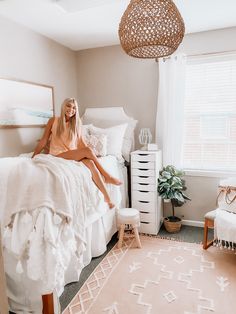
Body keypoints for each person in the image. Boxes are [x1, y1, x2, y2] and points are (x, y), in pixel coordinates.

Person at [32, 97, 121, 209]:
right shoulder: (53, 121)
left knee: (91, 164)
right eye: (69, 106)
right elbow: (44, 140)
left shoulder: (77, 123)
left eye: (74, 107)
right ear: (63, 106)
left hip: (72, 154)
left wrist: (92, 155)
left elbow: (81, 143)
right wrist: (34, 155)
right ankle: (107, 176)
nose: (71, 109)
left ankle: (107, 197)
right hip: (57, 154)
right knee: (88, 151)